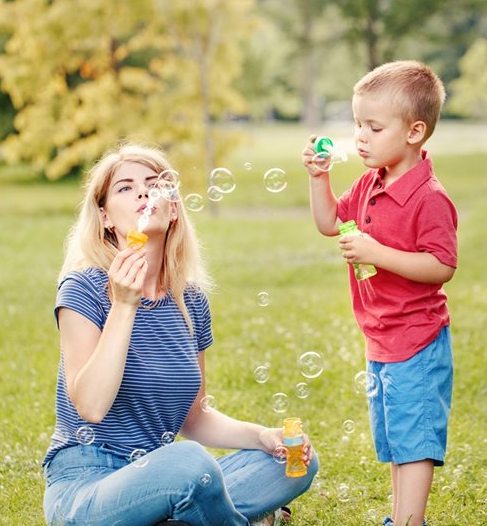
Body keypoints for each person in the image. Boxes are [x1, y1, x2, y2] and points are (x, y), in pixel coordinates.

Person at [42, 143, 318, 526]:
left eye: (154, 184)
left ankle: (176, 516)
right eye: (125, 187)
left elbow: (195, 418)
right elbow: (90, 405)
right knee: (189, 461)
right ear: (105, 217)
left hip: (160, 477)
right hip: (88, 486)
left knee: (293, 461)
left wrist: (262, 436)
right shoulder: (84, 288)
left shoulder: (190, 301)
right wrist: (124, 305)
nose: (143, 192)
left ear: (173, 208)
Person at [302, 61, 457, 526]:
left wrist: (377, 251)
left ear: (414, 132)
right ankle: (401, 518)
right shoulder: (371, 182)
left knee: (415, 441)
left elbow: (442, 266)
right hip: (380, 337)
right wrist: (318, 179)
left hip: (417, 339)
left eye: (373, 126)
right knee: (396, 439)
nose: (360, 137)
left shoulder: (430, 196)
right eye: (356, 125)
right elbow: (330, 222)